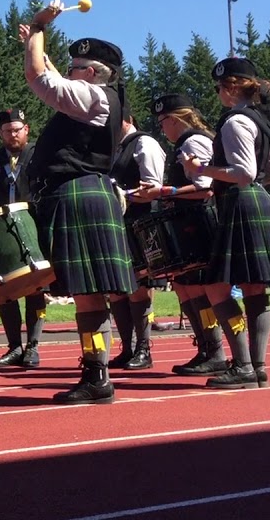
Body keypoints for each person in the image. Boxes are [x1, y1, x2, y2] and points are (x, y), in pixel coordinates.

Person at [19, 1, 136, 405]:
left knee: (88, 293)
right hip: (86, 192)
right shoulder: (100, 97)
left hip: (78, 193)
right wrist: (37, 43)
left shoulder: (94, 98)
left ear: (91, 73)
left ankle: (97, 376)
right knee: (89, 293)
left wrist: (39, 25)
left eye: (75, 67)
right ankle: (96, 373)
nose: (68, 73)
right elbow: (49, 76)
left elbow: (39, 78)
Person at [184, 57, 270, 389]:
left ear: (228, 88)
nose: (217, 93)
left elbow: (244, 173)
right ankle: (256, 366)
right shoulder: (258, 119)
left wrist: (202, 170)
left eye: (218, 87)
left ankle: (242, 364)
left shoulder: (233, 122)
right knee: (255, 288)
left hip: (240, 202)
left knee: (217, 287)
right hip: (258, 201)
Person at [143, 93, 229, 376]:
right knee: (184, 287)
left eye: (163, 121)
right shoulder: (188, 141)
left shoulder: (194, 141)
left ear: (175, 119)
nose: (162, 128)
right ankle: (205, 346)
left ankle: (214, 350)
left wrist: (166, 192)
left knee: (198, 288)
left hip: (198, 222)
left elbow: (205, 187)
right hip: (186, 223)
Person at [0, 109, 46, 369]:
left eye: (17, 130)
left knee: (35, 287)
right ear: (0, 134)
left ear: (27, 129)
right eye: (8, 131)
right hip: (4, 230)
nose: (13, 135)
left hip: (34, 225)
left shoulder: (40, 155)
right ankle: (14, 347)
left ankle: (33, 346)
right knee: (5, 289)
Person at [107, 107, 166, 370]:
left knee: (139, 287)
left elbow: (153, 187)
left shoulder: (145, 143)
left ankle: (144, 349)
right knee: (117, 289)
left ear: (128, 119)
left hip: (141, 223)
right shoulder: (111, 147)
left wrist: (122, 194)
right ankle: (127, 348)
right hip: (118, 223)